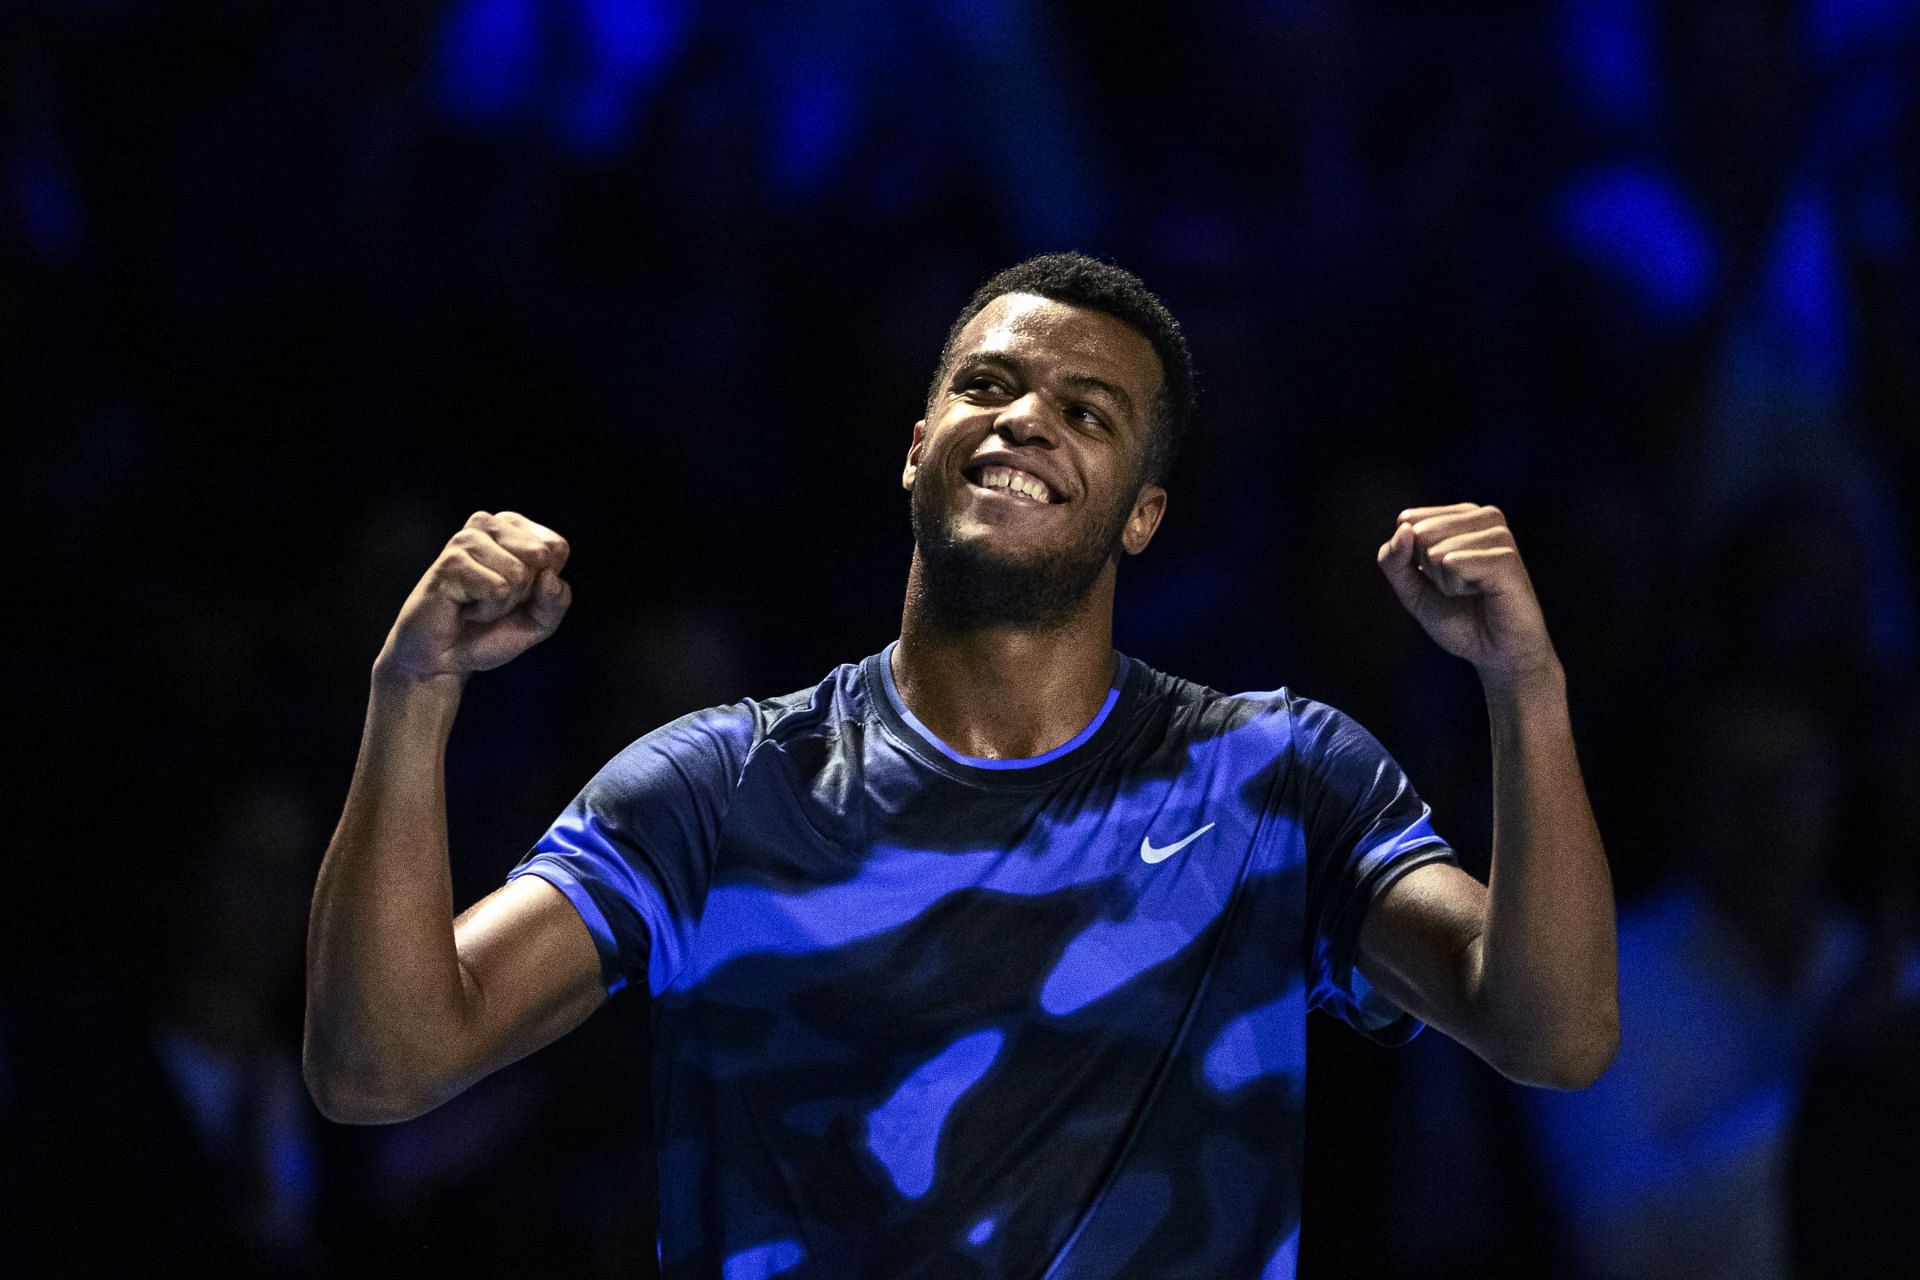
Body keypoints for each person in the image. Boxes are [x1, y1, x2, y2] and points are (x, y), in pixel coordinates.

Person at [304, 253, 1618, 1278]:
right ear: (919, 447)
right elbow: (379, 1068)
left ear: (1144, 514)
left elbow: (1555, 1035)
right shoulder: (715, 788)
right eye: (988, 386)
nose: (1029, 419)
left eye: (1088, 412)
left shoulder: (1280, 779)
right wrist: (411, 691)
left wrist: (1526, 686)